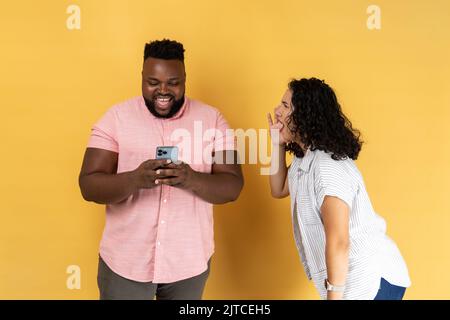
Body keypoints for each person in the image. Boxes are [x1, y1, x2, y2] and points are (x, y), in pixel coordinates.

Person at [79, 39, 243, 300]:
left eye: (173, 83)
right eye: (153, 82)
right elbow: (88, 185)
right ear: (142, 77)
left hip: (188, 264)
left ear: (185, 79)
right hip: (125, 263)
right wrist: (136, 179)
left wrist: (190, 178)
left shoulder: (213, 119)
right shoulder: (116, 118)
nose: (163, 91)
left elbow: (233, 186)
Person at [267, 78, 410, 300]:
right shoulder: (304, 158)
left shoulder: (326, 168)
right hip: (351, 278)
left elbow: (339, 241)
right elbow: (278, 189)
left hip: (372, 280)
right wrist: (277, 143)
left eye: (285, 106)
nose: (277, 111)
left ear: (306, 114)